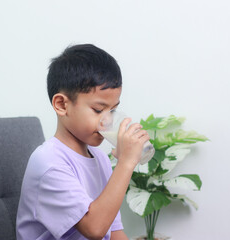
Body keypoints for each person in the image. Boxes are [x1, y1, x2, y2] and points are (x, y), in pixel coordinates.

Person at [16, 44, 150, 240]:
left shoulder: (100, 159)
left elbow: (114, 232)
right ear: (62, 105)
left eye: (113, 110)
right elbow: (95, 229)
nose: (108, 121)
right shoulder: (48, 162)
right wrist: (126, 163)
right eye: (98, 110)